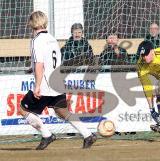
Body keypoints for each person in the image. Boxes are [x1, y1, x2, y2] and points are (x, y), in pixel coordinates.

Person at [19, 11, 97, 150]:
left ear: (32, 23)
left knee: (23, 109)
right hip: (57, 81)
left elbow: (40, 64)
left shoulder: (36, 40)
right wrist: (33, 68)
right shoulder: (52, 38)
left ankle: (47, 135)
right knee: (62, 111)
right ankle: (88, 135)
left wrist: (37, 86)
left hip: (45, 84)